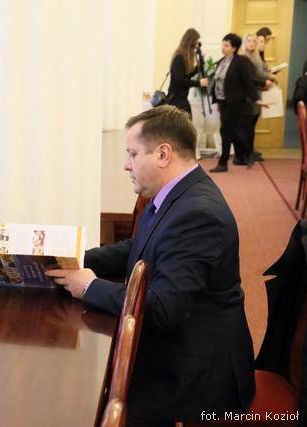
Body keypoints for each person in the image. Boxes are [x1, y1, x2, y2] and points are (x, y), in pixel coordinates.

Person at [46, 106, 255, 425]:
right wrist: (76, 258)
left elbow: (163, 309)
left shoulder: (197, 214)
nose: (125, 164)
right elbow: (139, 248)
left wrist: (88, 286)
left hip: (197, 372)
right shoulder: (178, 193)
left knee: (84, 404)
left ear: (163, 154)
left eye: (133, 154)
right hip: (178, 345)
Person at [209, 33, 259, 172]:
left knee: (225, 130)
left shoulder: (240, 61)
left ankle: (223, 163)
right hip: (223, 101)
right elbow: (218, 81)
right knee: (232, 131)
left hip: (236, 101)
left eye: (227, 45)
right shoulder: (222, 61)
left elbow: (248, 80)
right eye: (223, 44)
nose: (223, 47)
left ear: (234, 48)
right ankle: (249, 152)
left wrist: (256, 98)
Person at [237, 33, 274, 164]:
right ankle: (243, 155)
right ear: (244, 43)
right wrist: (264, 81)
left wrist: (267, 78)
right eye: (249, 41)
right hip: (247, 98)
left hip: (256, 95)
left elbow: (259, 74)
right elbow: (248, 79)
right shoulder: (242, 58)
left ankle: (250, 152)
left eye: (254, 41)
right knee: (245, 128)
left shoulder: (257, 57)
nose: (251, 43)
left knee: (251, 127)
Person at [167, 28, 208, 117]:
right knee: (185, 122)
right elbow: (179, 80)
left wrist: (199, 65)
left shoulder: (183, 57)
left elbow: (186, 76)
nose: (197, 45)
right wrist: (199, 83)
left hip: (181, 98)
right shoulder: (179, 58)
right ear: (191, 42)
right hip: (176, 100)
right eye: (196, 42)